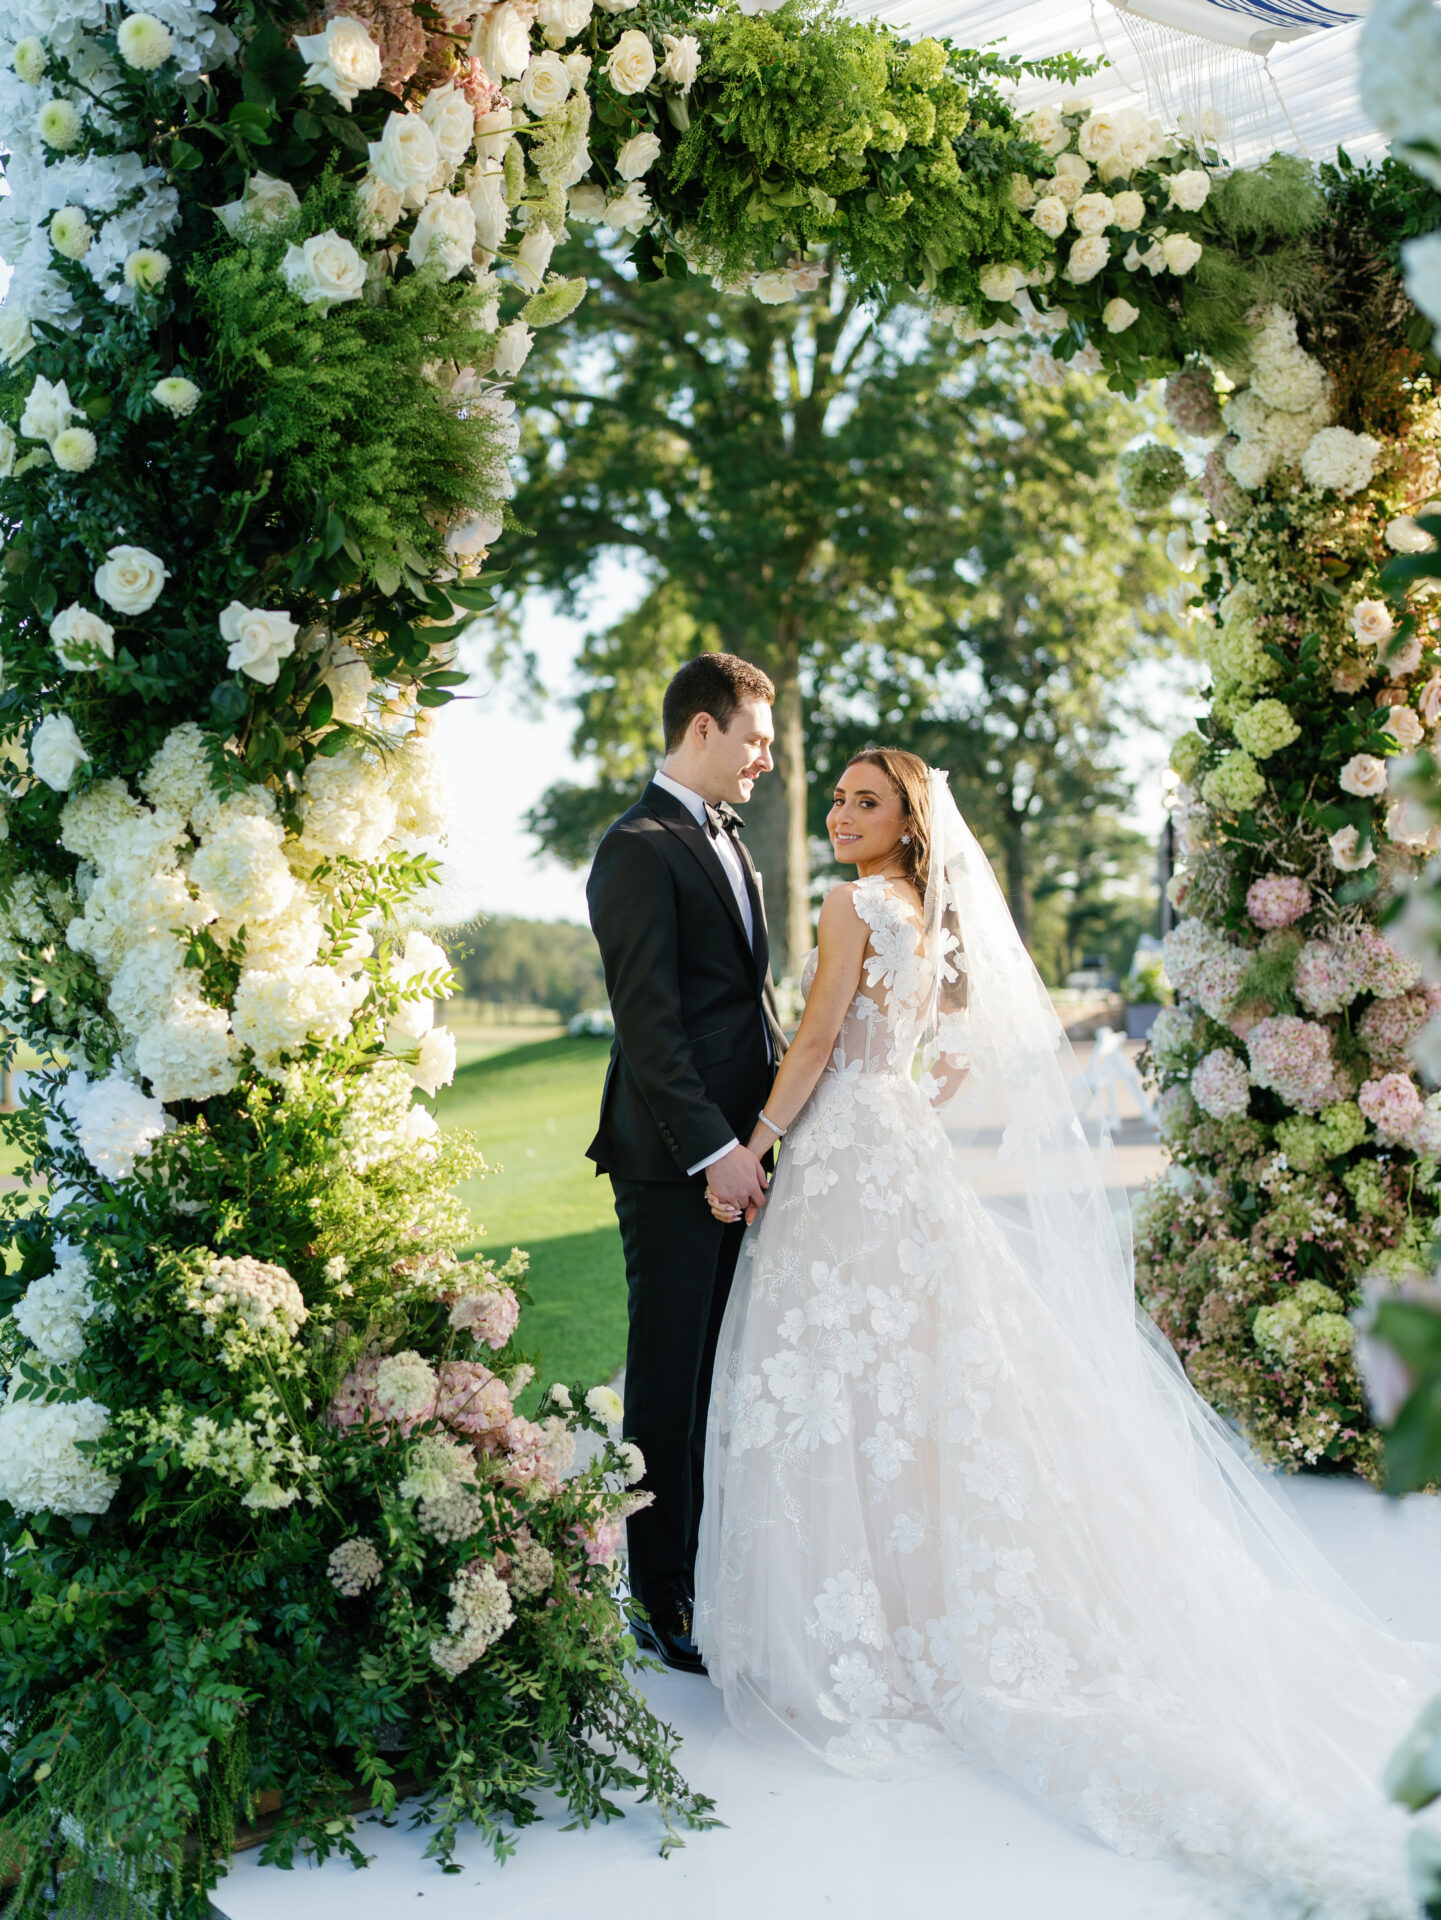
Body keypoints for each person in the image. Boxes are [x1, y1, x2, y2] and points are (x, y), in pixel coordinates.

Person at [695, 745, 1441, 1917]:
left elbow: (813, 1038)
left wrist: (759, 1143)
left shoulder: (849, 906)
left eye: (865, 801)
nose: (840, 815)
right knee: (925, 1382)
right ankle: (919, 1595)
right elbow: (937, 1064)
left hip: (847, 1151)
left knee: (850, 1378)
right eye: (836, 799)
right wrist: (882, 1098)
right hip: (905, 1152)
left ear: (905, 822)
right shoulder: (925, 919)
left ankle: (872, 1617)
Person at [586, 653, 787, 1674]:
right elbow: (650, 1031)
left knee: (725, 1376)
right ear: (700, 730)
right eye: (755, 739)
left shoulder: (731, 845)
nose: (767, 759)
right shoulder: (637, 848)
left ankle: (713, 1574)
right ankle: (657, 1601)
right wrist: (716, 1152)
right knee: (668, 1384)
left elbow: (741, 1007)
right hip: (675, 1166)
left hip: (744, 1159)